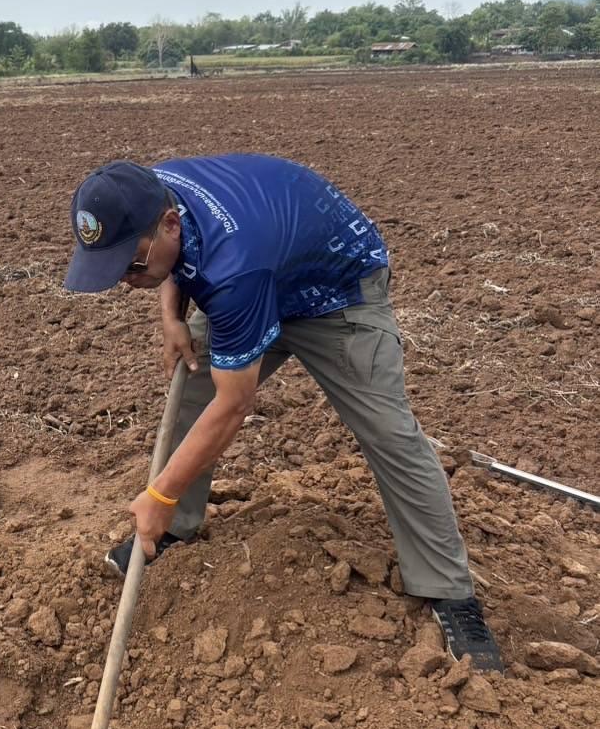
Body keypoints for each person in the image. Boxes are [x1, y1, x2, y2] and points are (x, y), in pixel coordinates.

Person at [63, 154, 503, 671]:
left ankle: (450, 591)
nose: (125, 278)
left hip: (336, 295)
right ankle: (175, 527)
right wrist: (171, 317)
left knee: (389, 434)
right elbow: (176, 260)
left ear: (170, 224)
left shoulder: (234, 265)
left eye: (131, 266)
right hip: (261, 272)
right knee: (192, 392)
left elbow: (235, 405)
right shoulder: (144, 191)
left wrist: (158, 493)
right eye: (113, 268)